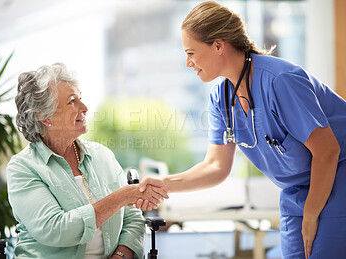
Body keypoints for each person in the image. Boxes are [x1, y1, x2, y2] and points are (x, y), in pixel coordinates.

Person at [138, 1, 346, 258]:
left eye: (191, 52)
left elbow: (327, 151)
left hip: (337, 178)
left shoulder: (281, 80)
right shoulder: (221, 98)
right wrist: (164, 183)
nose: (187, 62)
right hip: (296, 193)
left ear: (217, 45)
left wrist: (312, 213)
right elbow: (216, 167)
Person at [6, 63, 168, 259]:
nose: (84, 107)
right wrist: (123, 196)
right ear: (44, 116)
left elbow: (132, 218)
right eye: (72, 101)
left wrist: (121, 256)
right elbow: (57, 230)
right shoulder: (23, 168)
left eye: (80, 98)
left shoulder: (102, 156)